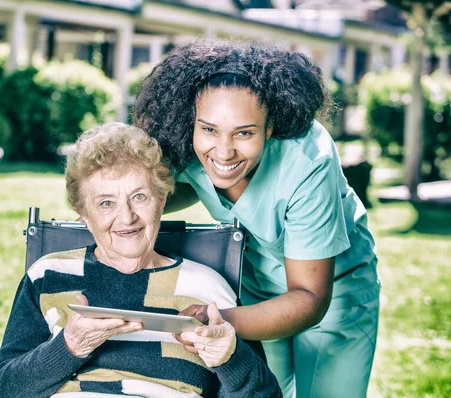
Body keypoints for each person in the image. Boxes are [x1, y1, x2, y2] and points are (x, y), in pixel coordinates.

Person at [132, 39, 380, 398]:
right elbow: (184, 185)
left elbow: (309, 296)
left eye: (244, 133)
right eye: (210, 129)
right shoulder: (189, 141)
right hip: (256, 287)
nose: (223, 150)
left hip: (333, 291)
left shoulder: (307, 162)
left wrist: (214, 322)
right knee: (263, 392)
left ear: (270, 127)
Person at [0, 122, 281, 398]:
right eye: (106, 203)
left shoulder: (210, 290)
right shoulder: (48, 274)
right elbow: (5, 387)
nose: (126, 217)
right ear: (84, 214)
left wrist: (229, 358)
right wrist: (70, 346)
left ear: (162, 200)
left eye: (139, 197)